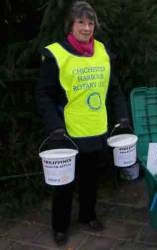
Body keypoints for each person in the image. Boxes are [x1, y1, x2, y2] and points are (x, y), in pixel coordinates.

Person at [35, 0, 129, 246]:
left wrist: (122, 117)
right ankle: (60, 227)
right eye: (81, 22)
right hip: (66, 132)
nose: (87, 28)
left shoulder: (102, 51)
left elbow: (114, 88)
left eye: (90, 23)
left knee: (90, 179)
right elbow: (43, 94)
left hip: (96, 129)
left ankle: (88, 216)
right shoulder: (57, 54)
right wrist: (54, 127)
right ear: (71, 24)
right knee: (64, 184)